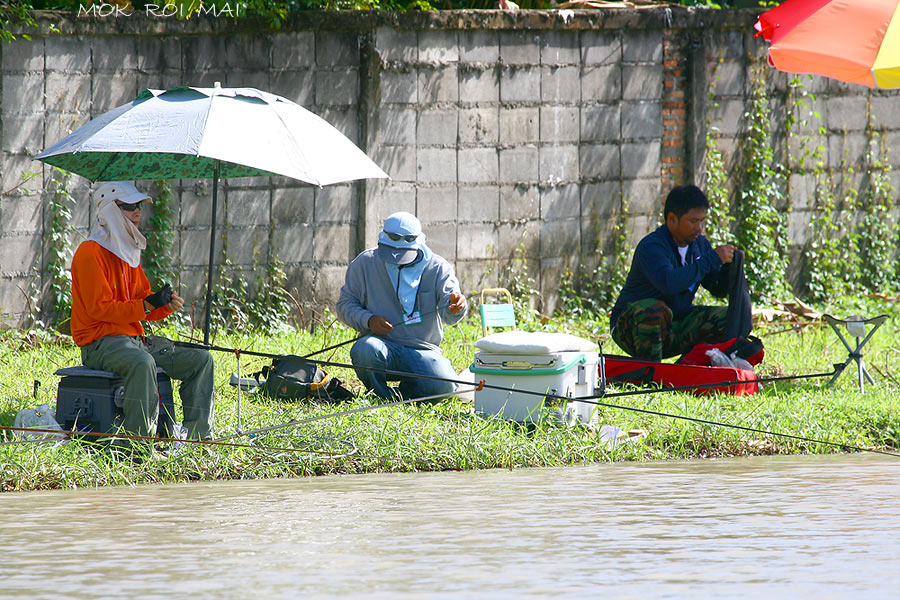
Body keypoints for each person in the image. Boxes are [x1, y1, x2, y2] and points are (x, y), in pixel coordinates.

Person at [70, 181, 215, 442]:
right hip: (100, 343)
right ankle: (139, 447)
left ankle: (199, 440)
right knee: (142, 362)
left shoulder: (127, 253)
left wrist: (162, 305)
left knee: (200, 359)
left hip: (134, 341)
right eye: (129, 207)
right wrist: (146, 305)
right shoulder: (89, 253)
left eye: (138, 206)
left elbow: (141, 305)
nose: (137, 212)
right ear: (109, 211)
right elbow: (99, 309)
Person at [336, 212, 467, 401]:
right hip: (382, 346)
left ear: (419, 243)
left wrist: (456, 308)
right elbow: (344, 304)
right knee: (365, 350)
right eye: (391, 252)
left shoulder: (438, 267)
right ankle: (380, 395)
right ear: (382, 240)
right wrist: (368, 320)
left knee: (446, 385)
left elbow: (450, 314)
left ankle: (405, 395)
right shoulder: (365, 263)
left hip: (423, 350)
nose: (396, 258)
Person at [610, 184, 739, 361]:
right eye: (693, 221)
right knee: (654, 310)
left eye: (701, 221)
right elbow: (669, 283)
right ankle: (650, 372)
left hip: (674, 324)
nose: (699, 228)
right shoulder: (652, 247)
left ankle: (687, 368)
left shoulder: (699, 245)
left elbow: (717, 289)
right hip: (633, 329)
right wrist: (712, 259)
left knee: (728, 318)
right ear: (672, 219)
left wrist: (728, 269)